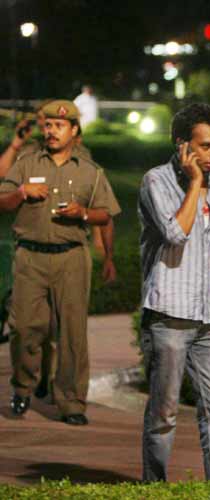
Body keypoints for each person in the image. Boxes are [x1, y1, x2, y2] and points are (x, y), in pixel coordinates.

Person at [138, 103, 210, 483]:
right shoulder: (156, 181)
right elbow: (175, 233)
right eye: (206, 146)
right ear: (184, 147)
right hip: (169, 314)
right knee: (164, 412)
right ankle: (155, 487)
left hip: (208, 316)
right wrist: (195, 183)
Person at [0, 100, 121, 425]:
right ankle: (23, 387)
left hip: (71, 258)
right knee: (24, 328)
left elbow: (104, 213)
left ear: (75, 130)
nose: (52, 131)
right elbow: (3, 200)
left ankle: (71, 402)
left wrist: (82, 214)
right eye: (49, 125)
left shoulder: (90, 171)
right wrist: (22, 191)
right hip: (30, 257)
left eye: (59, 126)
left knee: (72, 333)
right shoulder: (26, 162)